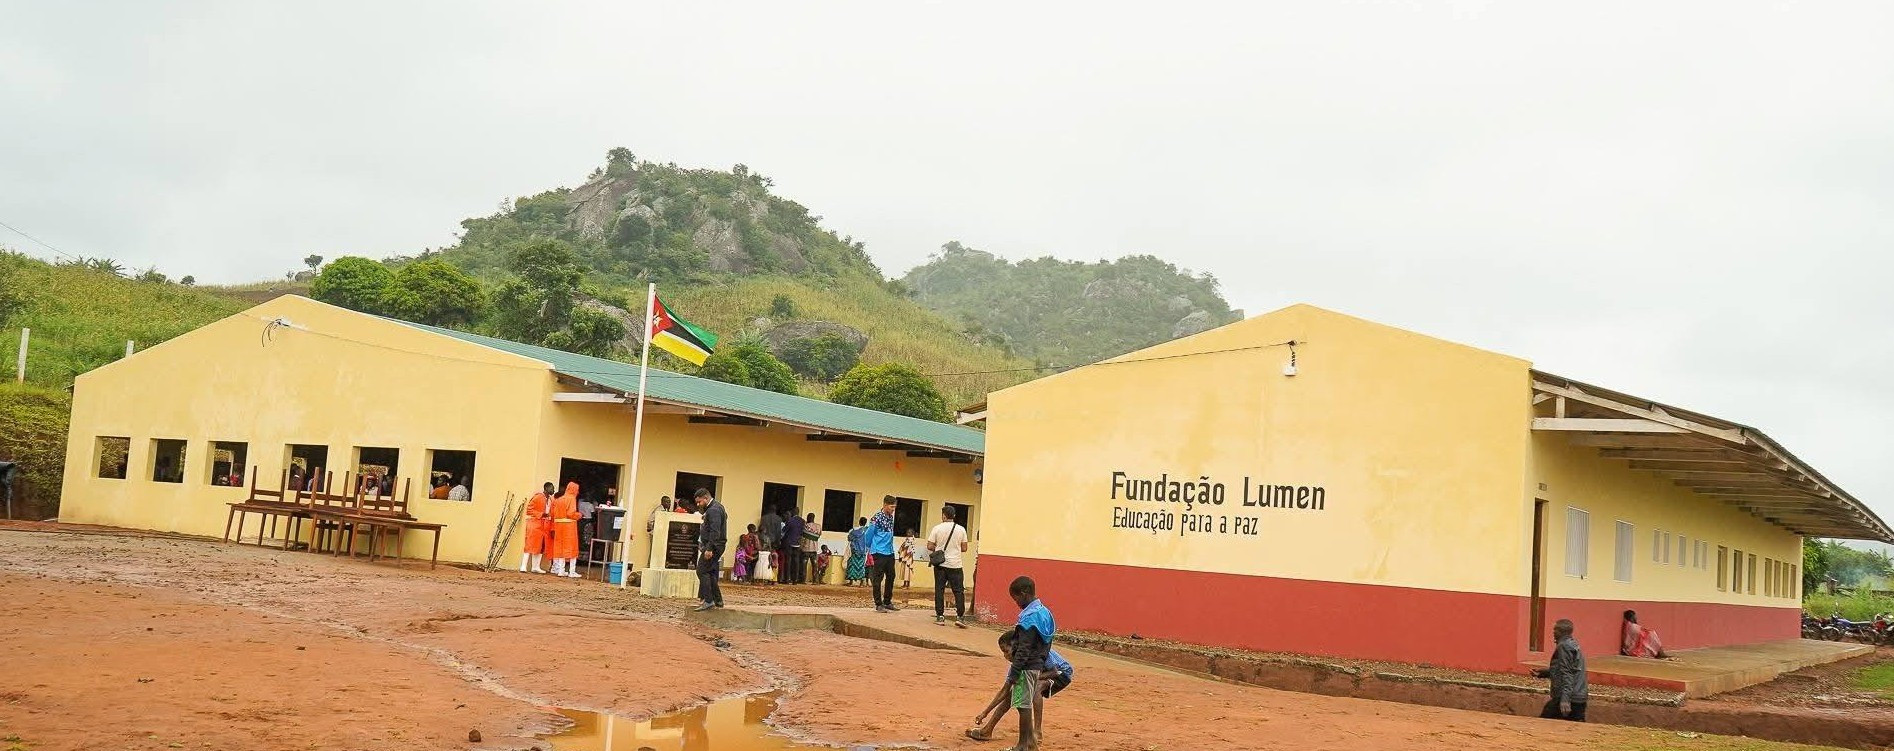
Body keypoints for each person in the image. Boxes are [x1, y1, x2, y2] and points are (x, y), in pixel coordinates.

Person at [967, 576, 1054, 747]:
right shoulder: (1045, 613)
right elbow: (1047, 642)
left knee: (1023, 706)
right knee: (1023, 703)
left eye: (1016, 599)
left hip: (1026, 666)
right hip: (1037, 664)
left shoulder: (1030, 617)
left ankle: (1023, 745)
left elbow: (1023, 648)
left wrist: (1015, 671)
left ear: (1024, 593)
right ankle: (1030, 744)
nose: (1017, 603)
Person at [972, 632, 1073, 742]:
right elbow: (1004, 690)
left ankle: (1037, 732)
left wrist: (1031, 678)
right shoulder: (1016, 665)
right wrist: (985, 712)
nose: (1005, 656)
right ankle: (987, 730)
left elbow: (1054, 672)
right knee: (1011, 695)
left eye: (1006, 651)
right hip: (1040, 674)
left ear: (1016, 646)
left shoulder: (1037, 652)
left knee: (1037, 687)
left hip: (1062, 673)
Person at [1533, 619, 1588, 722]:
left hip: (1570, 698)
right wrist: (1543, 673)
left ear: (1560, 632)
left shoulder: (1564, 647)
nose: (1553, 633)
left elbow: (1567, 673)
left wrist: (1565, 699)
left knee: (1544, 721)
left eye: (1555, 630)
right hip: (1579, 697)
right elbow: (1567, 669)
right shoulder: (1573, 645)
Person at [927, 506, 970, 627]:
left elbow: (929, 546)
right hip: (956, 564)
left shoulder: (937, 528)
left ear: (944, 515)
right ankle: (960, 617)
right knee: (958, 591)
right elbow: (964, 548)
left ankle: (940, 617)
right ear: (954, 516)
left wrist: (939, 548)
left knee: (939, 590)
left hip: (940, 565)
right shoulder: (961, 529)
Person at [693, 488, 727, 612]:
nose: (698, 505)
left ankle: (708, 600)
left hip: (714, 546)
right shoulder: (717, 507)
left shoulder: (713, 510)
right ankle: (718, 600)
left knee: (701, 571)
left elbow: (715, 531)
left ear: (706, 498)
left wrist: (709, 548)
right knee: (710, 572)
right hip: (715, 545)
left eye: (699, 502)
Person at [867, 496, 898, 611]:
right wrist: (869, 548)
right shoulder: (876, 518)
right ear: (885, 505)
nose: (893, 509)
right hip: (879, 551)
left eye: (894, 507)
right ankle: (878, 603)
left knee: (891, 576)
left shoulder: (890, 517)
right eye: (891, 507)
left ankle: (887, 601)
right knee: (878, 578)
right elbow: (869, 534)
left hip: (889, 551)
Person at [548, 481, 582, 578]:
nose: (578, 492)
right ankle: (572, 571)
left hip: (559, 526)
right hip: (569, 527)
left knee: (561, 548)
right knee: (572, 548)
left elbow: (553, 514)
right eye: (577, 490)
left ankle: (561, 570)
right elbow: (571, 513)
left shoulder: (559, 499)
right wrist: (579, 515)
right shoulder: (572, 499)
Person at [519, 482, 554, 573]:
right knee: (529, 544)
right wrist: (541, 514)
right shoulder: (538, 497)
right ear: (546, 488)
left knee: (541, 546)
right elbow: (529, 510)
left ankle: (536, 567)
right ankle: (523, 566)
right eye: (552, 488)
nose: (553, 490)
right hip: (534, 523)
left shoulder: (551, 499)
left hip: (544, 525)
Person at [782, 509, 805, 585]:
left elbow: (784, 530)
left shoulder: (790, 520)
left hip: (789, 542)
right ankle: (795, 579)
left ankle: (787, 579)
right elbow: (803, 532)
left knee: (788, 560)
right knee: (796, 561)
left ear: (792, 513)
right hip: (797, 542)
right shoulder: (802, 521)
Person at [845, 517, 869, 586]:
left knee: (852, 565)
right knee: (861, 566)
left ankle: (851, 582)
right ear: (865, 523)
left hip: (855, 550)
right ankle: (861, 583)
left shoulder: (853, 531)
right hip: (863, 551)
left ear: (859, 522)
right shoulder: (867, 531)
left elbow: (849, 538)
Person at [802, 513, 822, 584]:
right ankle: (815, 581)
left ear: (808, 518)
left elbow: (803, 536)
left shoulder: (805, 526)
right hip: (814, 548)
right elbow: (819, 535)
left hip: (806, 548)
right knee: (815, 565)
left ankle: (803, 580)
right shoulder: (818, 526)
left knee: (804, 565)